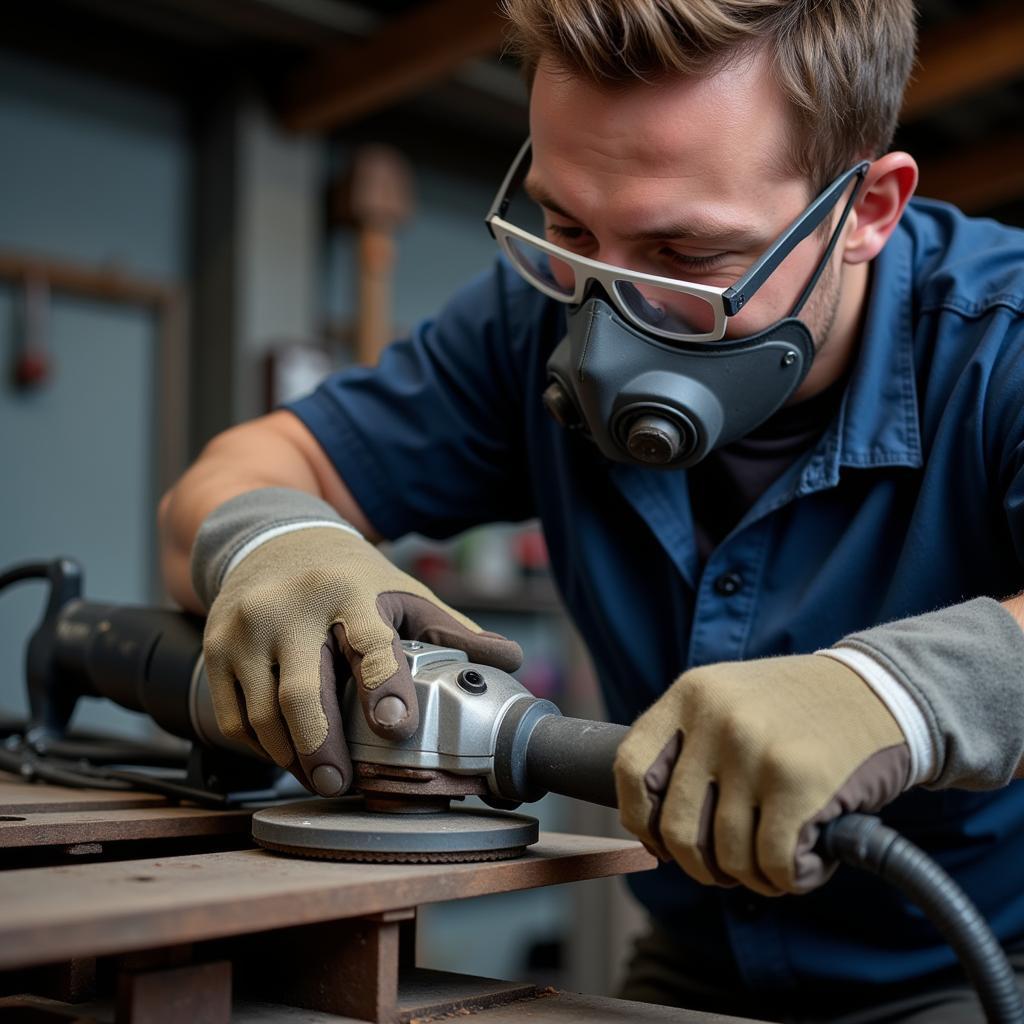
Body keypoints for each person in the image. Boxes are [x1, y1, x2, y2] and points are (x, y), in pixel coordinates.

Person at [159, 1, 1024, 1020]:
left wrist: (897, 694)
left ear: (867, 209)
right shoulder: (527, 322)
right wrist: (279, 541)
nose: (609, 314)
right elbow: (234, 475)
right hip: (704, 959)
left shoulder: (997, 341)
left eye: (688, 254)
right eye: (568, 226)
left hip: (980, 961)